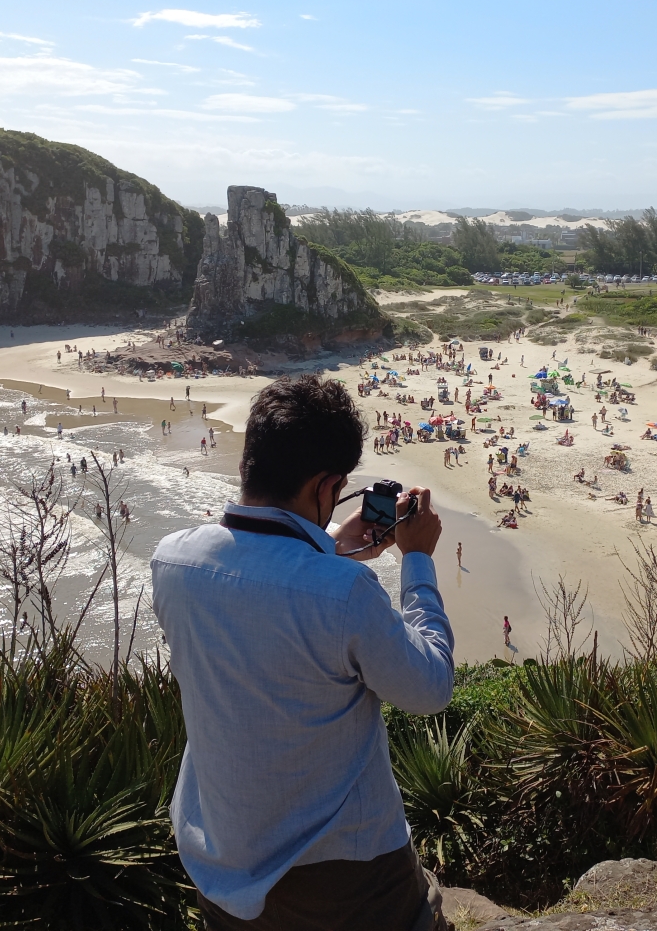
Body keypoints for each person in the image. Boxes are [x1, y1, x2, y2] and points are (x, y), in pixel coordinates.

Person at [151, 376, 453, 930]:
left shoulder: (173, 561)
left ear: (250, 461)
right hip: (345, 880)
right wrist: (417, 559)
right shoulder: (346, 592)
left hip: (219, 861)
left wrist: (331, 546)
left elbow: (263, 591)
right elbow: (431, 688)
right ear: (327, 486)